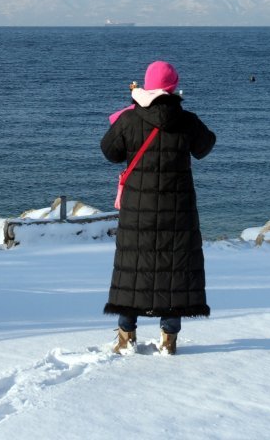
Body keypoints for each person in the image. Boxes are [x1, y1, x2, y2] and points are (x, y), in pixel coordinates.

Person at [101, 60, 216, 355]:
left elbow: (110, 152)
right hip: (178, 209)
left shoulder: (129, 119)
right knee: (174, 269)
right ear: (173, 87)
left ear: (146, 85)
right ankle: (169, 339)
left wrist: (125, 116)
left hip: (138, 208)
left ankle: (126, 336)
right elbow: (205, 146)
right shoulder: (187, 120)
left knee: (132, 268)